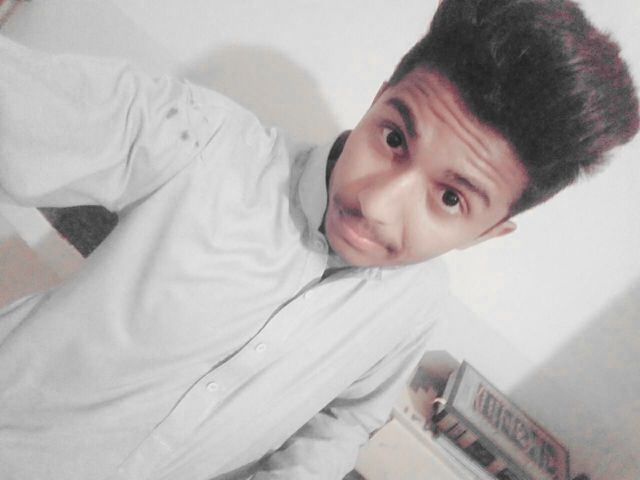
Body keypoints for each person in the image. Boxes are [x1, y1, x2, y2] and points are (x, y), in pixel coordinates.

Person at [0, 0, 637, 479]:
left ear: (488, 231)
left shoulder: (417, 302)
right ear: (377, 100)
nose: (376, 205)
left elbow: (347, 417)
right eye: (394, 137)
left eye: (450, 198)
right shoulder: (203, 142)